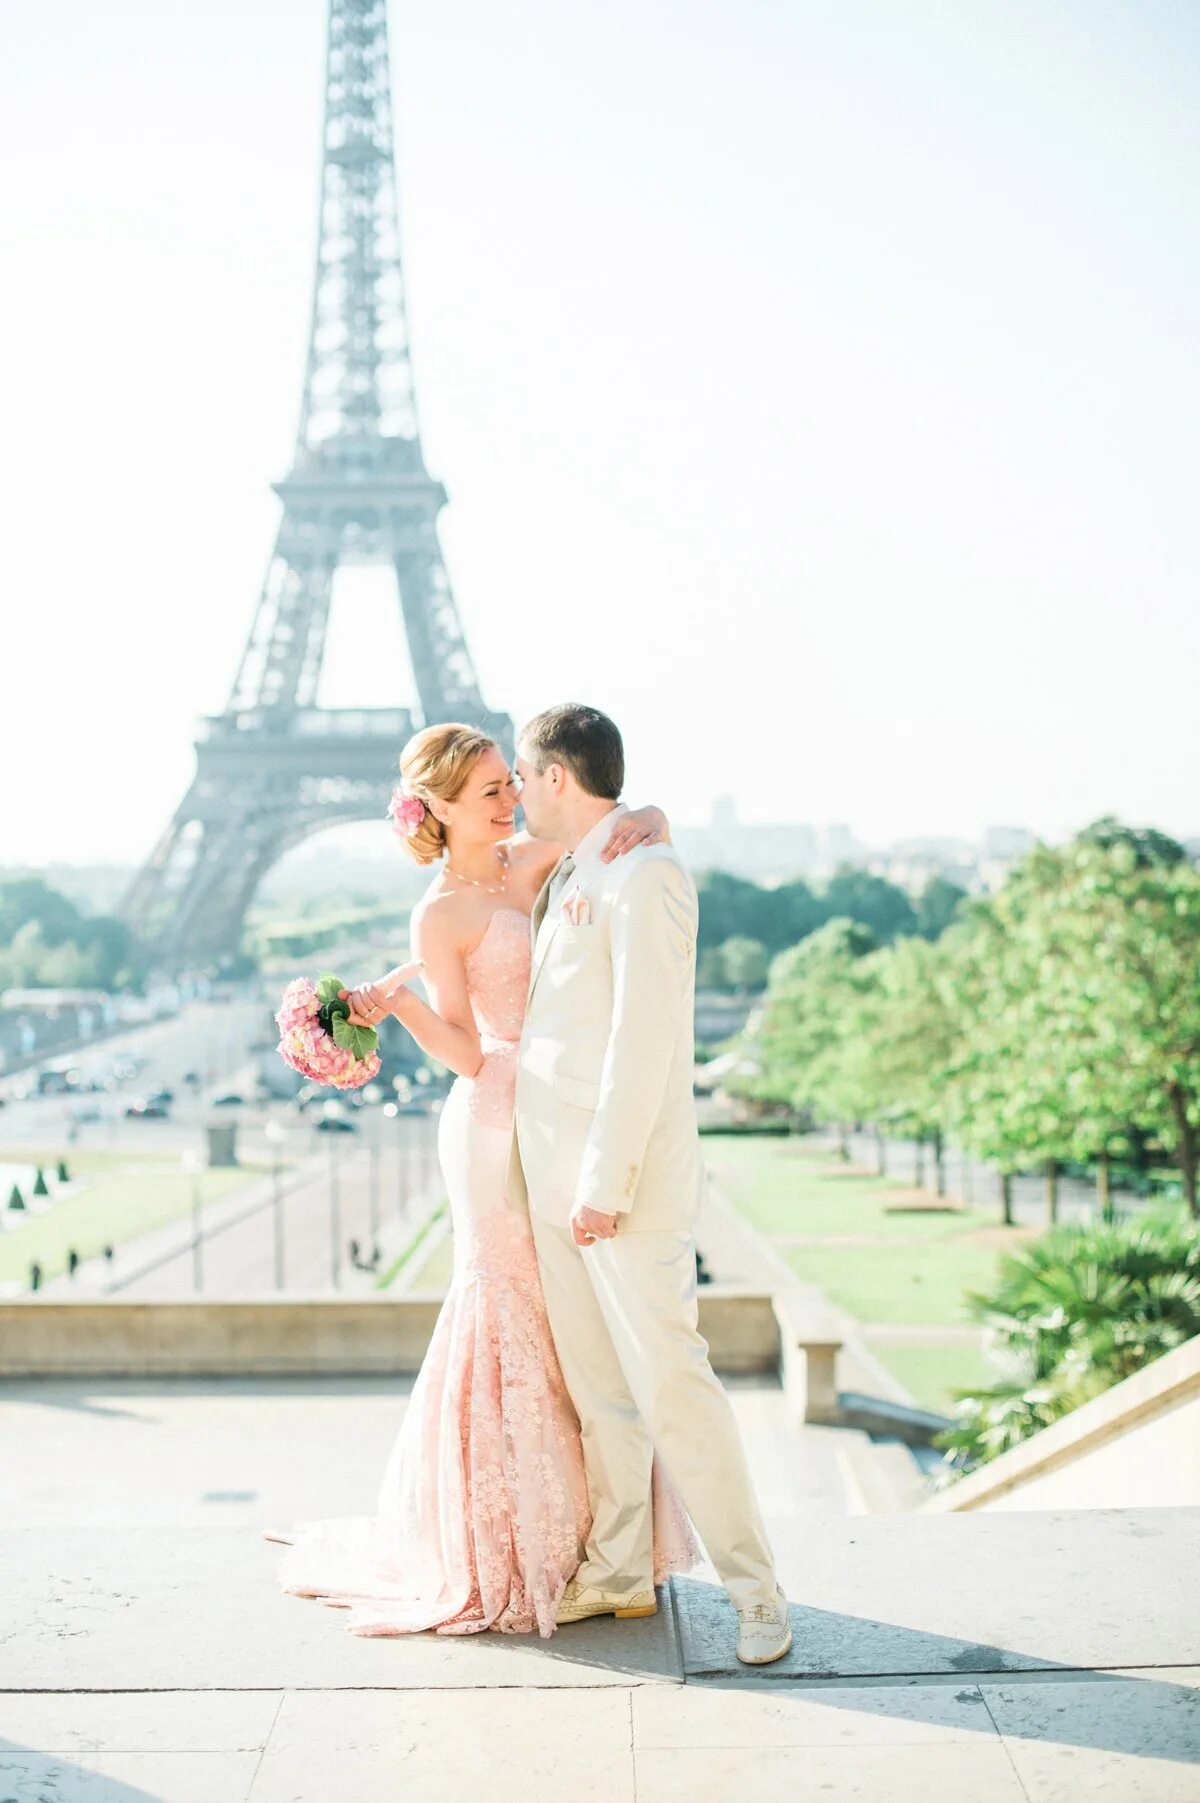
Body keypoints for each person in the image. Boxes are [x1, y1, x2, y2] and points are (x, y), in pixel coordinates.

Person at [264, 722, 694, 1637]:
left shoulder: (538, 859)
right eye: (493, 790)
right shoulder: (439, 913)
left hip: (558, 1107)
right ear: (439, 808)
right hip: (492, 1117)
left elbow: (610, 837)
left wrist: (651, 813)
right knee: (507, 1310)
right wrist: (411, 1004)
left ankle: (602, 1541)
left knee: (572, 1323)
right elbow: (465, 1051)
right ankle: (512, 1544)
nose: (511, 798)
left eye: (512, 782)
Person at [509, 703, 792, 1665]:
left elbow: (645, 1041)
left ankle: (757, 1590)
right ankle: (621, 1567)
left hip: (614, 1186)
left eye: (522, 772)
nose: (512, 788)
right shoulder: (585, 865)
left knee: (674, 1385)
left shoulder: (645, 872)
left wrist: (605, 1181)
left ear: (556, 776)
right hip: (552, 1176)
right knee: (601, 1392)